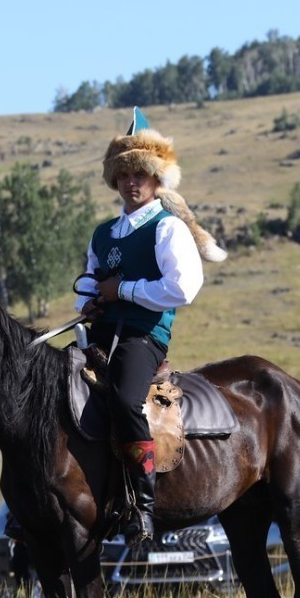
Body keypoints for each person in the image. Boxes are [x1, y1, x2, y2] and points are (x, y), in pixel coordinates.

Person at [74, 109, 225, 544]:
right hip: (101, 333)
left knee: (123, 400)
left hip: (143, 337)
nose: (131, 181)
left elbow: (183, 288)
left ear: (157, 180)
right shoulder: (103, 234)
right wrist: (88, 304)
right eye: (123, 173)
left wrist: (123, 291)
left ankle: (142, 505)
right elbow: (89, 280)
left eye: (140, 173)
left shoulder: (167, 228)